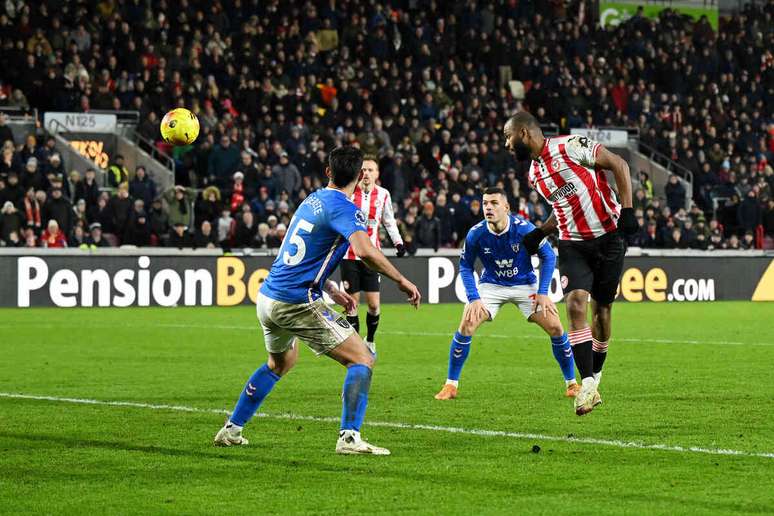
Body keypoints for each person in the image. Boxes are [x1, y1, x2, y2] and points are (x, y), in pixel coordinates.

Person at [213, 146, 421, 455]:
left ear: (328, 172)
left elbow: (300, 252)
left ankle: (231, 429)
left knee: (281, 362)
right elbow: (365, 251)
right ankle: (349, 438)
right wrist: (402, 280)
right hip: (296, 301)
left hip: (269, 297)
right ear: (360, 176)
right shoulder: (347, 208)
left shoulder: (311, 200)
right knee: (362, 358)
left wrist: (331, 288)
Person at [503, 111, 637, 416]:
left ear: (523, 133)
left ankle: (595, 376)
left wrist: (628, 210)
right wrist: (541, 231)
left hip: (608, 236)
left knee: (602, 312)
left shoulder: (571, 146)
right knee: (575, 305)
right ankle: (586, 383)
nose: (507, 145)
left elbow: (619, 164)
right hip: (572, 243)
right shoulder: (534, 174)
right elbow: (562, 208)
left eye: (508, 137)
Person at [434, 188, 578, 402]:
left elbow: (548, 256)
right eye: (485, 203)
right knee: (467, 324)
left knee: (556, 327)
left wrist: (543, 293)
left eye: (494, 203)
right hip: (492, 285)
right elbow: (465, 266)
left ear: (506, 207)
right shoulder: (476, 233)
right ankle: (450, 386)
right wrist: (473, 298)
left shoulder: (524, 229)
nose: (488, 207)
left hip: (525, 285)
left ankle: (572, 384)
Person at [339, 155, 405, 354]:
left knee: (374, 305)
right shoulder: (349, 192)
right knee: (352, 305)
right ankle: (356, 348)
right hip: (349, 255)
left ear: (377, 174)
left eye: (370, 170)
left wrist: (398, 242)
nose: (366, 173)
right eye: (363, 170)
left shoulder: (383, 194)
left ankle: (370, 339)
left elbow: (389, 221)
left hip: (372, 257)